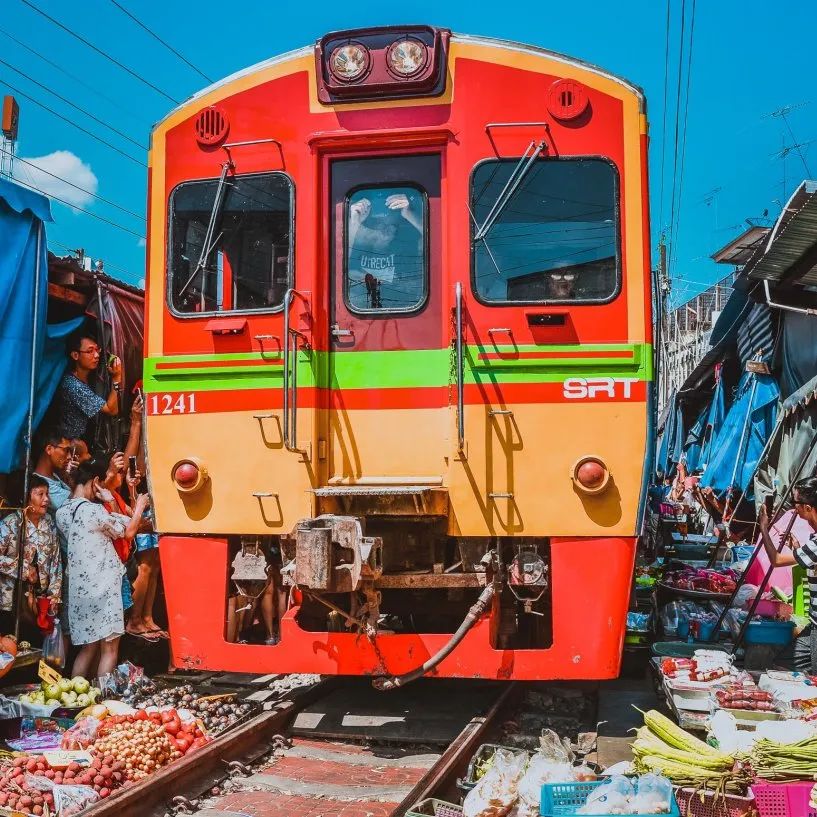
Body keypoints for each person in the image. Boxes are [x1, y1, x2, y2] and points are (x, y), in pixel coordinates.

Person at [56, 460, 149, 679]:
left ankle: (77, 697)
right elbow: (128, 532)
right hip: (104, 586)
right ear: (96, 482)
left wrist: (110, 502)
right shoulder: (93, 511)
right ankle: (104, 699)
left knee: (87, 649)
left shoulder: (61, 513)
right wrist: (140, 506)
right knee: (109, 649)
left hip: (79, 589)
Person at [758, 476, 817, 674]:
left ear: (808, 508)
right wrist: (799, 549)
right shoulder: (814, 538)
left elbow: (776, 560)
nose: (793, 508)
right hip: (813, 624)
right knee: (782, 664)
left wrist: (764, 528)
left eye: (795, 503)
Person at [0, 475, 62, 621]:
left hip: (39, 600)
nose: (46, 499)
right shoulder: (10, 524)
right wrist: (23, 568)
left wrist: (54, 595)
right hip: (10, 599)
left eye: (47, 494)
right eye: (40, 494)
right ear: (25, 498)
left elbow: (56, 561)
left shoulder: (48, 523)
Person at [347, 192, 423, 310]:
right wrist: (354, 222)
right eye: (376, 225)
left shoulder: (408, 246)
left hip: (405, 310)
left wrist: (410, 214)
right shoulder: (353, 243)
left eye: (389, 226)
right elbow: (335, 263)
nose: (383, 230)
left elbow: (437, 245)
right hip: (358, 314)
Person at [57, 333, 122, 440]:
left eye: (97, 350)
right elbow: (112, 410)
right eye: (90, 351)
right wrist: (117, 378)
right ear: (75, 355)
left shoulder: (92, 377)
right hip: (73, 445)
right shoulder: (72, 385)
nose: (96, 355)